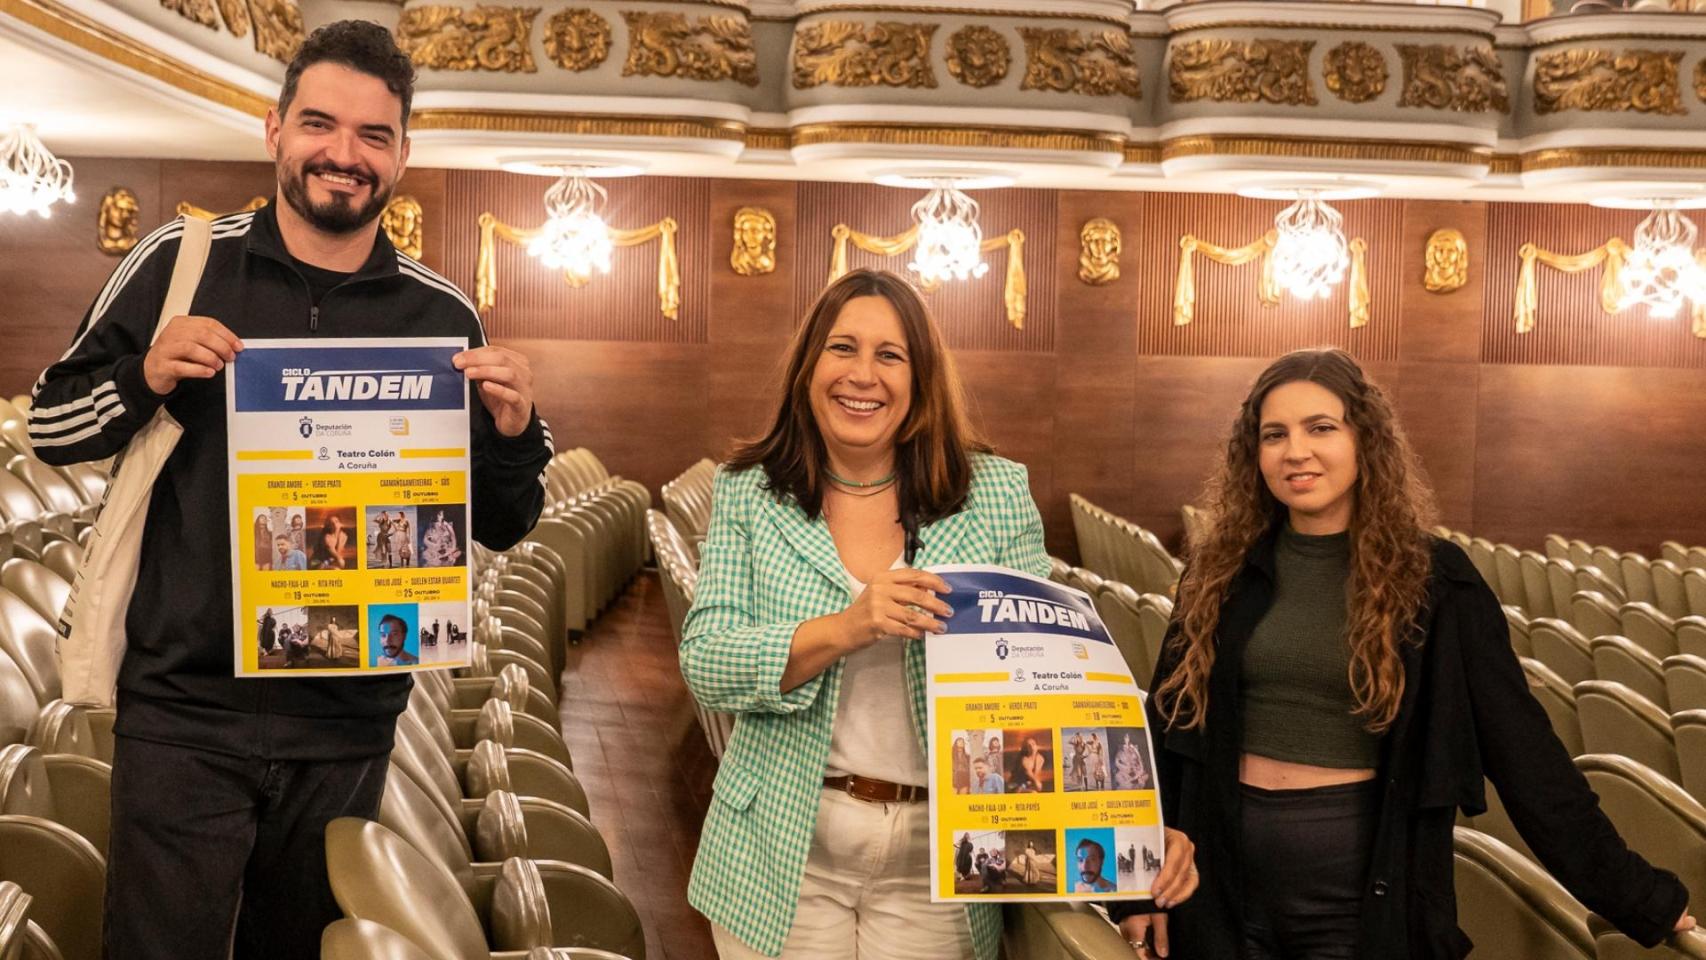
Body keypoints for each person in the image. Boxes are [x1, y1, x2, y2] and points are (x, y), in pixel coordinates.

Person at [24, 21, 551, 960]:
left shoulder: (440, 315)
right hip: (184, 714)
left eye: (373, 136)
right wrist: (145, 373)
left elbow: (506, 524)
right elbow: (50, 427)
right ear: (274, 130)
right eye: (320, 124)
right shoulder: (179, 264)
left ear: (401, 155)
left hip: (347, 726)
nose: (343, 155)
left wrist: (513, 436)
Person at [1112, 348, 1691, 960]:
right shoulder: (1217, 571)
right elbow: (1164, 732)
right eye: (1273, 435)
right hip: (1216, 890)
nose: (1295, 451)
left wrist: (1641, 897)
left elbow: (1527, 756)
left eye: (1321, 428)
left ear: (1366, 441)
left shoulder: (1436, 581)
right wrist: (1137, 885)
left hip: (1361, 900)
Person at [680, 268, 1117, 960]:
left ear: (920, 380)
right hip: (783, 848)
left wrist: (1132, 829)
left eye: (890, 355)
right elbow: (707, 661)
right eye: (842, 348)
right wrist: (848, 628)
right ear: (807, 367)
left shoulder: (994, 492)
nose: (863, 375)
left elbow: (1051, 682)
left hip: (938, 857)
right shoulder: (750, 493)